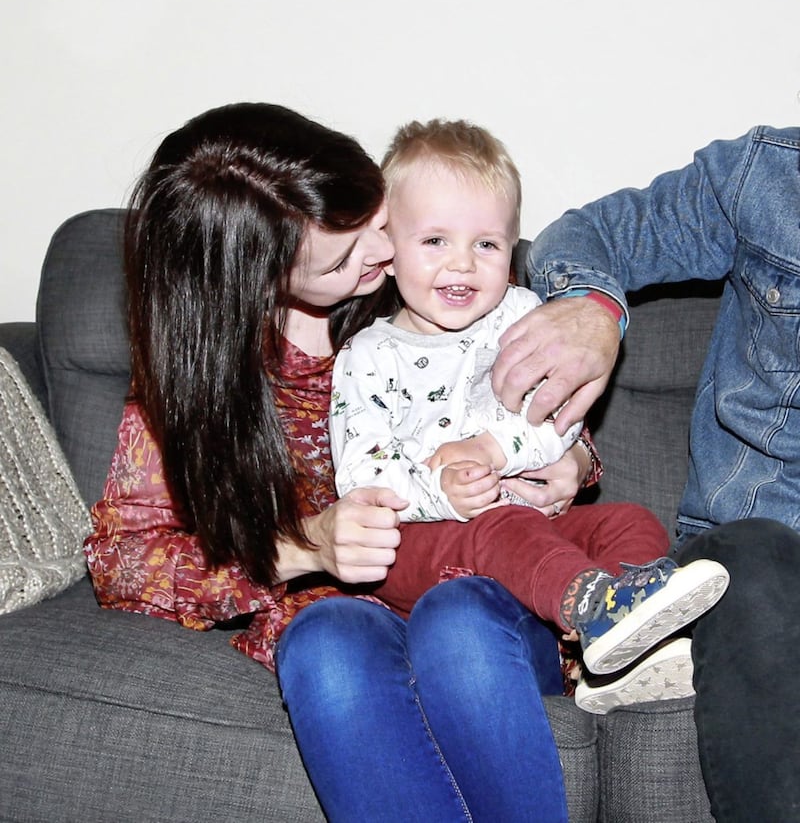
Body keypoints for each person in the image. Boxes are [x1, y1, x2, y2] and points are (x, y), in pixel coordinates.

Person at [84, 101, 575, 822]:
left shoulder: (430, 291)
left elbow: (533, 392)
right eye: (341, 259)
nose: (381, 255)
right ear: (259, 280)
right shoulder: (199, 380)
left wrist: (569, 459)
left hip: (482, 592)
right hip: (348, 619)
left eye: (371, 220)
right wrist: (304, 545)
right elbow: (121, 561)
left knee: (456, 620)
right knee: (323, 642)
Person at [330, 117, 729, 704]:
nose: (462, 264)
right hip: (414, 544)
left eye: (485, 243)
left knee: (630, 521)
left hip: (530, 530)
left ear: (511, 249)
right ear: (389, 250)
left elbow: (555, 416)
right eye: (435, 240)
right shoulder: (367, 355)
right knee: (504, 526)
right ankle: (593, 608)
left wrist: (492, 451)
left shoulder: (522, 317)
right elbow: (359, 476)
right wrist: (441, 485)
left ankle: (628, 648)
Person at [491, 124, 800, 822]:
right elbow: (586, 234)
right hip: (751, 553)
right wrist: (593, 307)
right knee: (758, 556)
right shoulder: (769, 178)